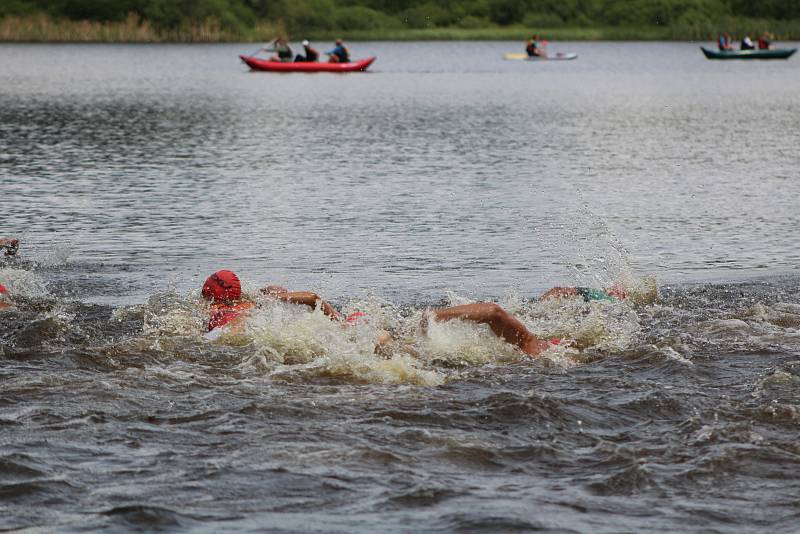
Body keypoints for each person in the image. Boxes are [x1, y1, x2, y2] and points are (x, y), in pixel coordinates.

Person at [421, 303, 553, 358]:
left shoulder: (532, 346)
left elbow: (494, 313)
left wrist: (433, 317)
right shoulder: (534, 348)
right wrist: (433, 317)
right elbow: (494, 313)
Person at [538, 285, 628, 303]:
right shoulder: (610, 300)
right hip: (591, 297)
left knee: (558, 290)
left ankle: (539, 303)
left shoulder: (612, 300)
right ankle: (540, 303)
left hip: (589, 294)